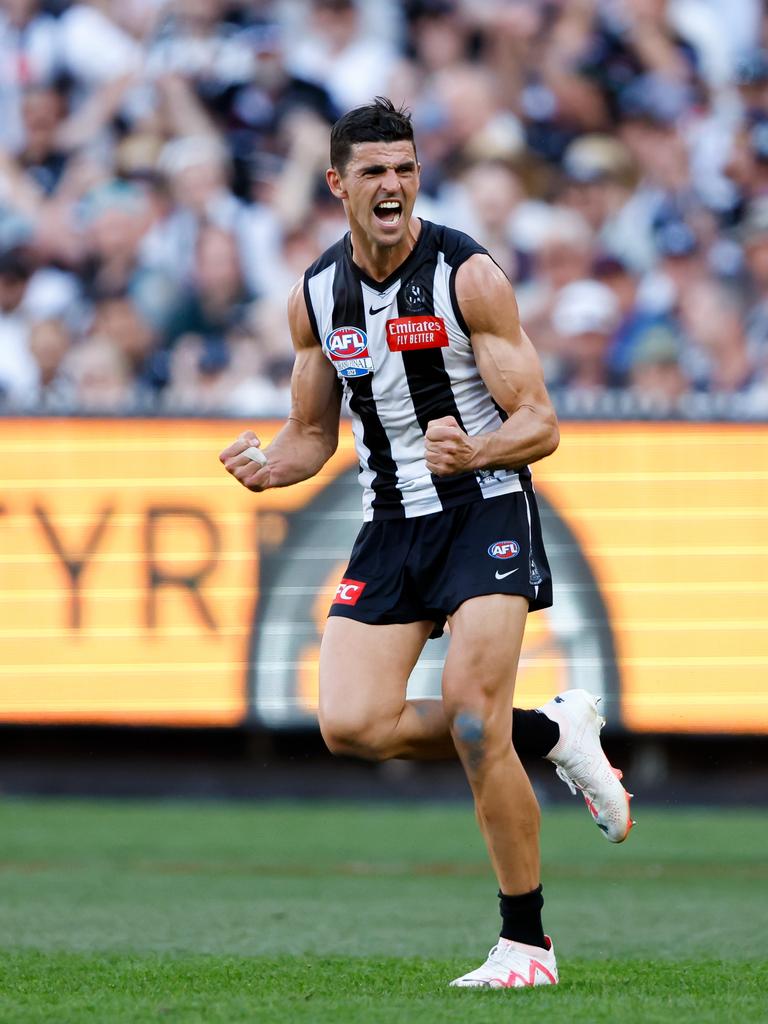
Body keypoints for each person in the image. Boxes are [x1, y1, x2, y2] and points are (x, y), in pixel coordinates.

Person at [220, 98, 633, 990]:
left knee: (475, 718)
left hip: (484, 507)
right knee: (352, 725)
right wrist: (266, 465)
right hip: (390, 521)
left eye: (404, 168)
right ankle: (554, 730)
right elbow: (310, 435)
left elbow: (542, 424)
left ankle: (527, 945)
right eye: (373, 171)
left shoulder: (468, 276)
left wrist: (476, 447)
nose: (393, 185)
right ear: (338, 185)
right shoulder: (316, 296)